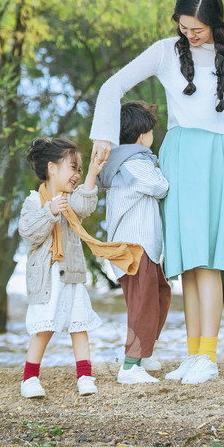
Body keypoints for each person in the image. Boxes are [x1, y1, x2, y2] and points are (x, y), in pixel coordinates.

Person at [89, 0, 224, 385]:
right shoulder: (163, 51)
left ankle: (207, 356)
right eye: (185, 26)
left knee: (207, 259)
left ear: (215, 24)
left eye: (199, 28)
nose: (191, 34)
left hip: (220, 157)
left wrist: (216, 143)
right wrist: (104, 137)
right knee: (188, 262)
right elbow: (113, 86)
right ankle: (194, 355)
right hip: (180, 155)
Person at [18, 136, 142, 399]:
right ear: (52, 168)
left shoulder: (70, 199)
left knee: (79, 325)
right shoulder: (33, 202)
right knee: (44, 328)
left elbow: (85, 206)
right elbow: (30, 234)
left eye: (79, 169)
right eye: (72, 168)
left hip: (72, 276)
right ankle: (29, 378)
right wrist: (49, 211)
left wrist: (94, 173)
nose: (76, 174)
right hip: (47, 280)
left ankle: (85, 376)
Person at [95, 101, 171, 385]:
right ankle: (130, 364)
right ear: (142, 136)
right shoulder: (135, 162)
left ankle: (143, 351)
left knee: (158, 294)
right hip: (136, 246)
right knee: (144, 302)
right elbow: (159, 186)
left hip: (136, 246)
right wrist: (162, 170)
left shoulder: (121, 161)